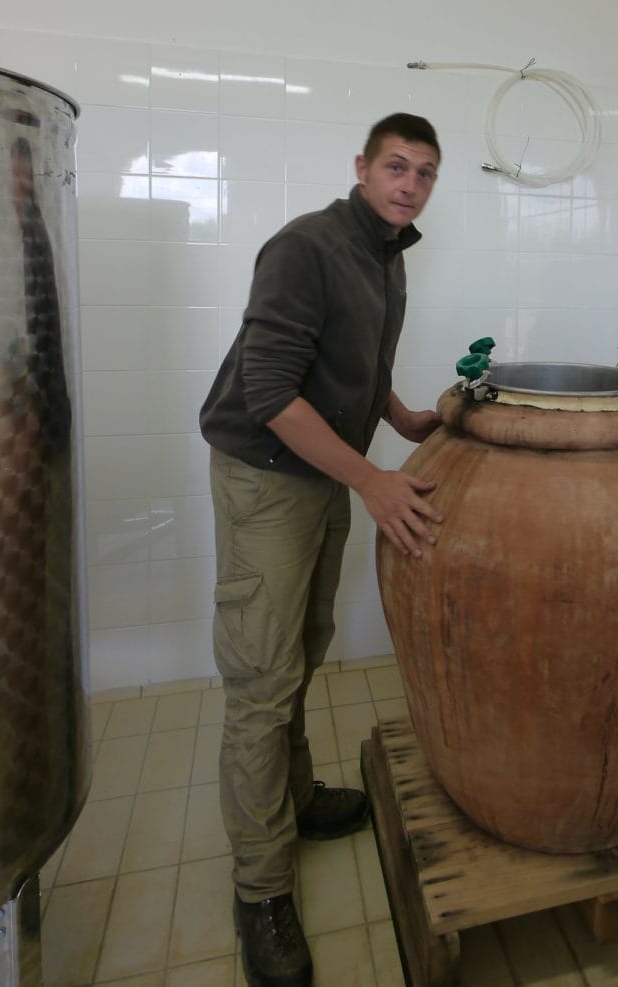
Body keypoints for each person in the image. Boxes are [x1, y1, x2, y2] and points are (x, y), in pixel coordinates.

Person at [199, 113, 444, 987]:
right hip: (269, 474)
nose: (409, 183)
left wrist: (404, 418)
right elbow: (268, 389)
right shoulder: (304, 248)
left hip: (322, 469)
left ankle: (295, 802)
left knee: (303, 650)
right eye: (395, 165)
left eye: (423, 172)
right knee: (262, 683)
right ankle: (260, 891)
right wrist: (373, 482)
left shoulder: (386, 255)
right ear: (362, 168)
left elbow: (355, 364)